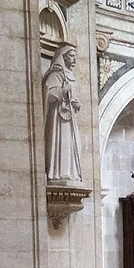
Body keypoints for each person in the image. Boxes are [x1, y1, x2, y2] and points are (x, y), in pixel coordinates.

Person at [43, 44, 83, 184]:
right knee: (60, 142)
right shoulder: (56, 74)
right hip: (57, 119)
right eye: (71, 56)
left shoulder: (71, 76)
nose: (74, 60)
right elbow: (48, 95)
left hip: (70, 117)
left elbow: (73, 98)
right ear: (63, 57)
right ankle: (58, 173)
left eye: (74, 56)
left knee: (71, 143)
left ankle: (71, 173)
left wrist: (75, 104)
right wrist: (62, 91)